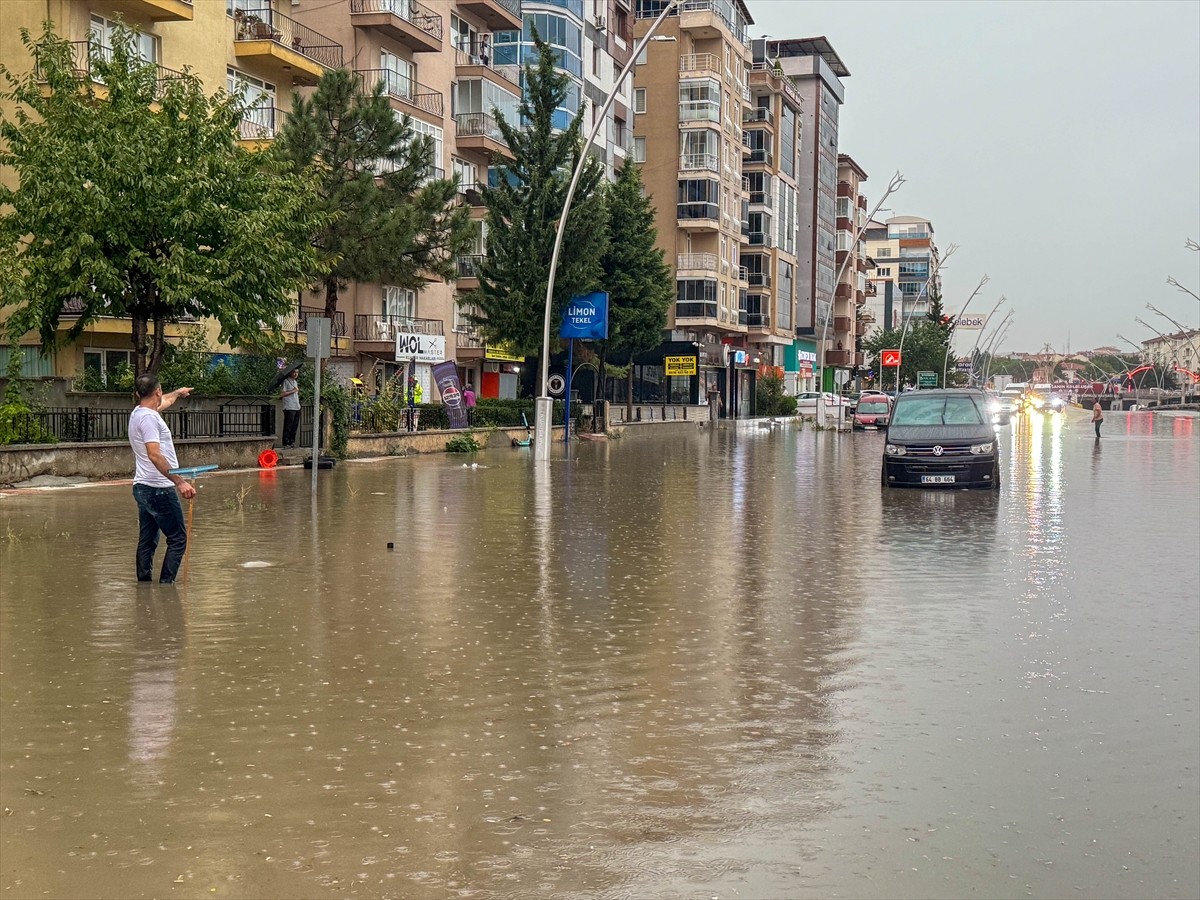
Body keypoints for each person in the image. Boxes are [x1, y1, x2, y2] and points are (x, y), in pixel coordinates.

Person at [129, 375, 195, 584]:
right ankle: (167, 587)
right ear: (157, 391)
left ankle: (144, 588)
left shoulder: (140, 413)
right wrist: (180, 481)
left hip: (143, 487)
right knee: (178, 539)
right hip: (159, 489)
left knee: (148, 540)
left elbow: (164, 401)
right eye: (161, 392)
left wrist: (177, 393)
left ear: (139, 394)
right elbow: (155, 455)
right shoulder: (149, 418)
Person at [280, 365, 301, 448]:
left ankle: (292, 441)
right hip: (289, 407)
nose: (296, 374)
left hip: (296, 406)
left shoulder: (295, 382)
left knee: (294, 426)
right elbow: (282, 394)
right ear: (290, 373)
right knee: (288, 425)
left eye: (297, 372)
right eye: (294, 372)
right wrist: (293, 391)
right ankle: (286, 442)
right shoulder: (286, 381)